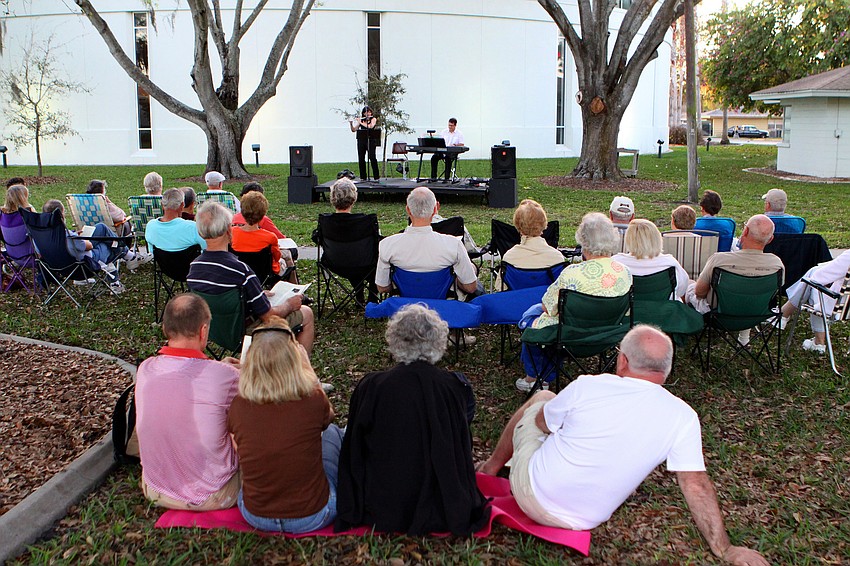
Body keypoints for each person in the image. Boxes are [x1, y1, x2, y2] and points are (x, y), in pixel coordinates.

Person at [478, 325, 769, 566]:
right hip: (585, 520)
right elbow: (695, 485)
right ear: (665, 371)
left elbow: (542, 424)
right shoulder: (683, 416)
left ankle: (491, 468)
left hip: (532, 494)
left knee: (542, 399)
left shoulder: (587, 385)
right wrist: (726, 550)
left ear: (623, 361)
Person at [335, 304, 491, 535]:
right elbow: (460, 440)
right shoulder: (454, 387)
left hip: (383, 501)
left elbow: (355, 449)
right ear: (438, 341)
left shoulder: (371, 386)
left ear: (395, 340)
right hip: (440, 500)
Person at [228, 316, 343, 533]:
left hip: (255, 515)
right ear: (294, 359)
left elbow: (240, 449)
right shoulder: (313, 399)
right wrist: (308, 368)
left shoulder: (238, 406)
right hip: (314, 515)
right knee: (333, 434)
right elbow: (329, 417)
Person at [135, 293, 240, 510]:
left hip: (154, 489)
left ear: (165, 329)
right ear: (203, 331)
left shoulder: (146, 368)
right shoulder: (223, 375)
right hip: (214, 494)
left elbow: (185, 377)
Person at [516, 212, 631, 392]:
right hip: (607, 333)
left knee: (530, 317)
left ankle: (535, 378)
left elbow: (548, 307)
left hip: (570, 336)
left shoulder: (572, 273)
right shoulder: (624, 271)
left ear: (583, 241)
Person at [187, 201, 314, 354]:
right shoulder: (241, 271)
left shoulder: (194, 268)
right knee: (306, 313)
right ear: (229, 230)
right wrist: (289, 305)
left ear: (200, 232)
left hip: (215, 331)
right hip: (246, 333)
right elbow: (268, 316)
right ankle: (301, 372)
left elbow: (222, 296)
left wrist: (254, 294)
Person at [375, 187, 479, 296]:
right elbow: (470, 287)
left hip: (404, 308)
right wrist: (455, 282)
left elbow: (382, 287)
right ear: (435, 210)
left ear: (408, 210)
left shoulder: (387, 245)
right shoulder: (454, 245)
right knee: (471, 269)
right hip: (442, 307)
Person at [687, 214, 784, 315]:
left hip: (719, 314)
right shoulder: (777, 265)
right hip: (756, 313)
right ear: (770, 239)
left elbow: (699, 293)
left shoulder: (719, 260)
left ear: (745, 231)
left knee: (688, 283)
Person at [42, 199, 130, 293]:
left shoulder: (41, 235)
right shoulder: (69, 236)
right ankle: (125, 260)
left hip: (60, 266)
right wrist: (80, 239)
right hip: (85, 265)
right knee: (108, 245)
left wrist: (76, 236)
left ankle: (127, 256)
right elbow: (89, 246)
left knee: (101, 228)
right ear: (61, 215)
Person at [777, 250, 850, 353]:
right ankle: (783, 314)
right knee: (815, 273)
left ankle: (818, 342)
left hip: (839, 308)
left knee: (813, 283)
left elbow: (817, 278)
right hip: (847, 308)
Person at [613, 219, 689, 300]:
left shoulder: (616, 263)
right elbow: (681, 290)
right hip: (663, 310)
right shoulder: (670, 263)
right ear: (657, 238)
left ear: (628, 239)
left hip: (629, 310)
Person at [496, 199, 564, 289]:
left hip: (518, 301)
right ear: (544, 223)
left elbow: (500, 288)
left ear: (517, 225)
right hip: (546, 301)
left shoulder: (509, 258)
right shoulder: (557, 258)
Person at [230, 191, 294, 280]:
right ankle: (294, 288)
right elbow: (276, 257)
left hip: (238, 272)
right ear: (263, 214)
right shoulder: (270, 237)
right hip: (265, 274)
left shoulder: (231, 233)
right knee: (287, 256)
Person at [144, 188, 207, 252]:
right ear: (182, 205)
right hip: (190, 261)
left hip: (161, 261)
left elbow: (151, 252)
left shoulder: (151, 226)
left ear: (162, 204)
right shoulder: (194, 228)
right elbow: (207, 248)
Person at [349, 106, 379, 181]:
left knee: (372, 157)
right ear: (363, 113)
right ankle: (363, 177)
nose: (368, 114)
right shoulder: (362, 121)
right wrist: (351, 124)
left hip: (371, 141)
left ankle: (376, 177)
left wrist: (360, 122)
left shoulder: (373, 119)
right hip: (361, 141)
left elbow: (371, 126)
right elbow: (354, 130)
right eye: (366, 112)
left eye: (369, 112)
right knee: (361, 158)